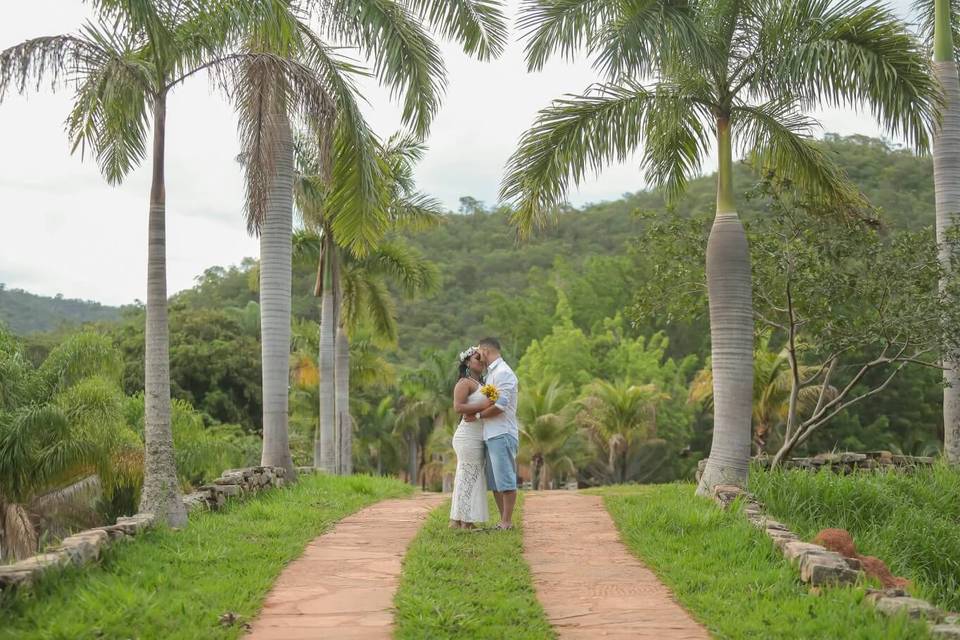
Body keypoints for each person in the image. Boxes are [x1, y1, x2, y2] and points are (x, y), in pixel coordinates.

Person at [469, 337, 519, 530]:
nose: (477, 354)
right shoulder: (492, 374)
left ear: (486, 351)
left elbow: (500, 406)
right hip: (491, 433)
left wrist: (478, 415)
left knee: (505, 479)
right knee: (496, 482)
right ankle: (503, 521)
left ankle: (507, 522)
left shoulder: (504, 373)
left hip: (502, 432)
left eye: (479, 351)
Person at [449, 346, 491, 529]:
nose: (480, 362)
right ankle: (465, 521)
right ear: (467, 362)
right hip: (467, 436)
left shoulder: (482, 384)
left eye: (482, 359)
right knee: (468, 475)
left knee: (469, 476)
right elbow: (458, 407)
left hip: (477, 434)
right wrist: (480, 408)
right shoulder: (464, 383)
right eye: (476, 358)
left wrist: (483, 410)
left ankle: (458, 520)